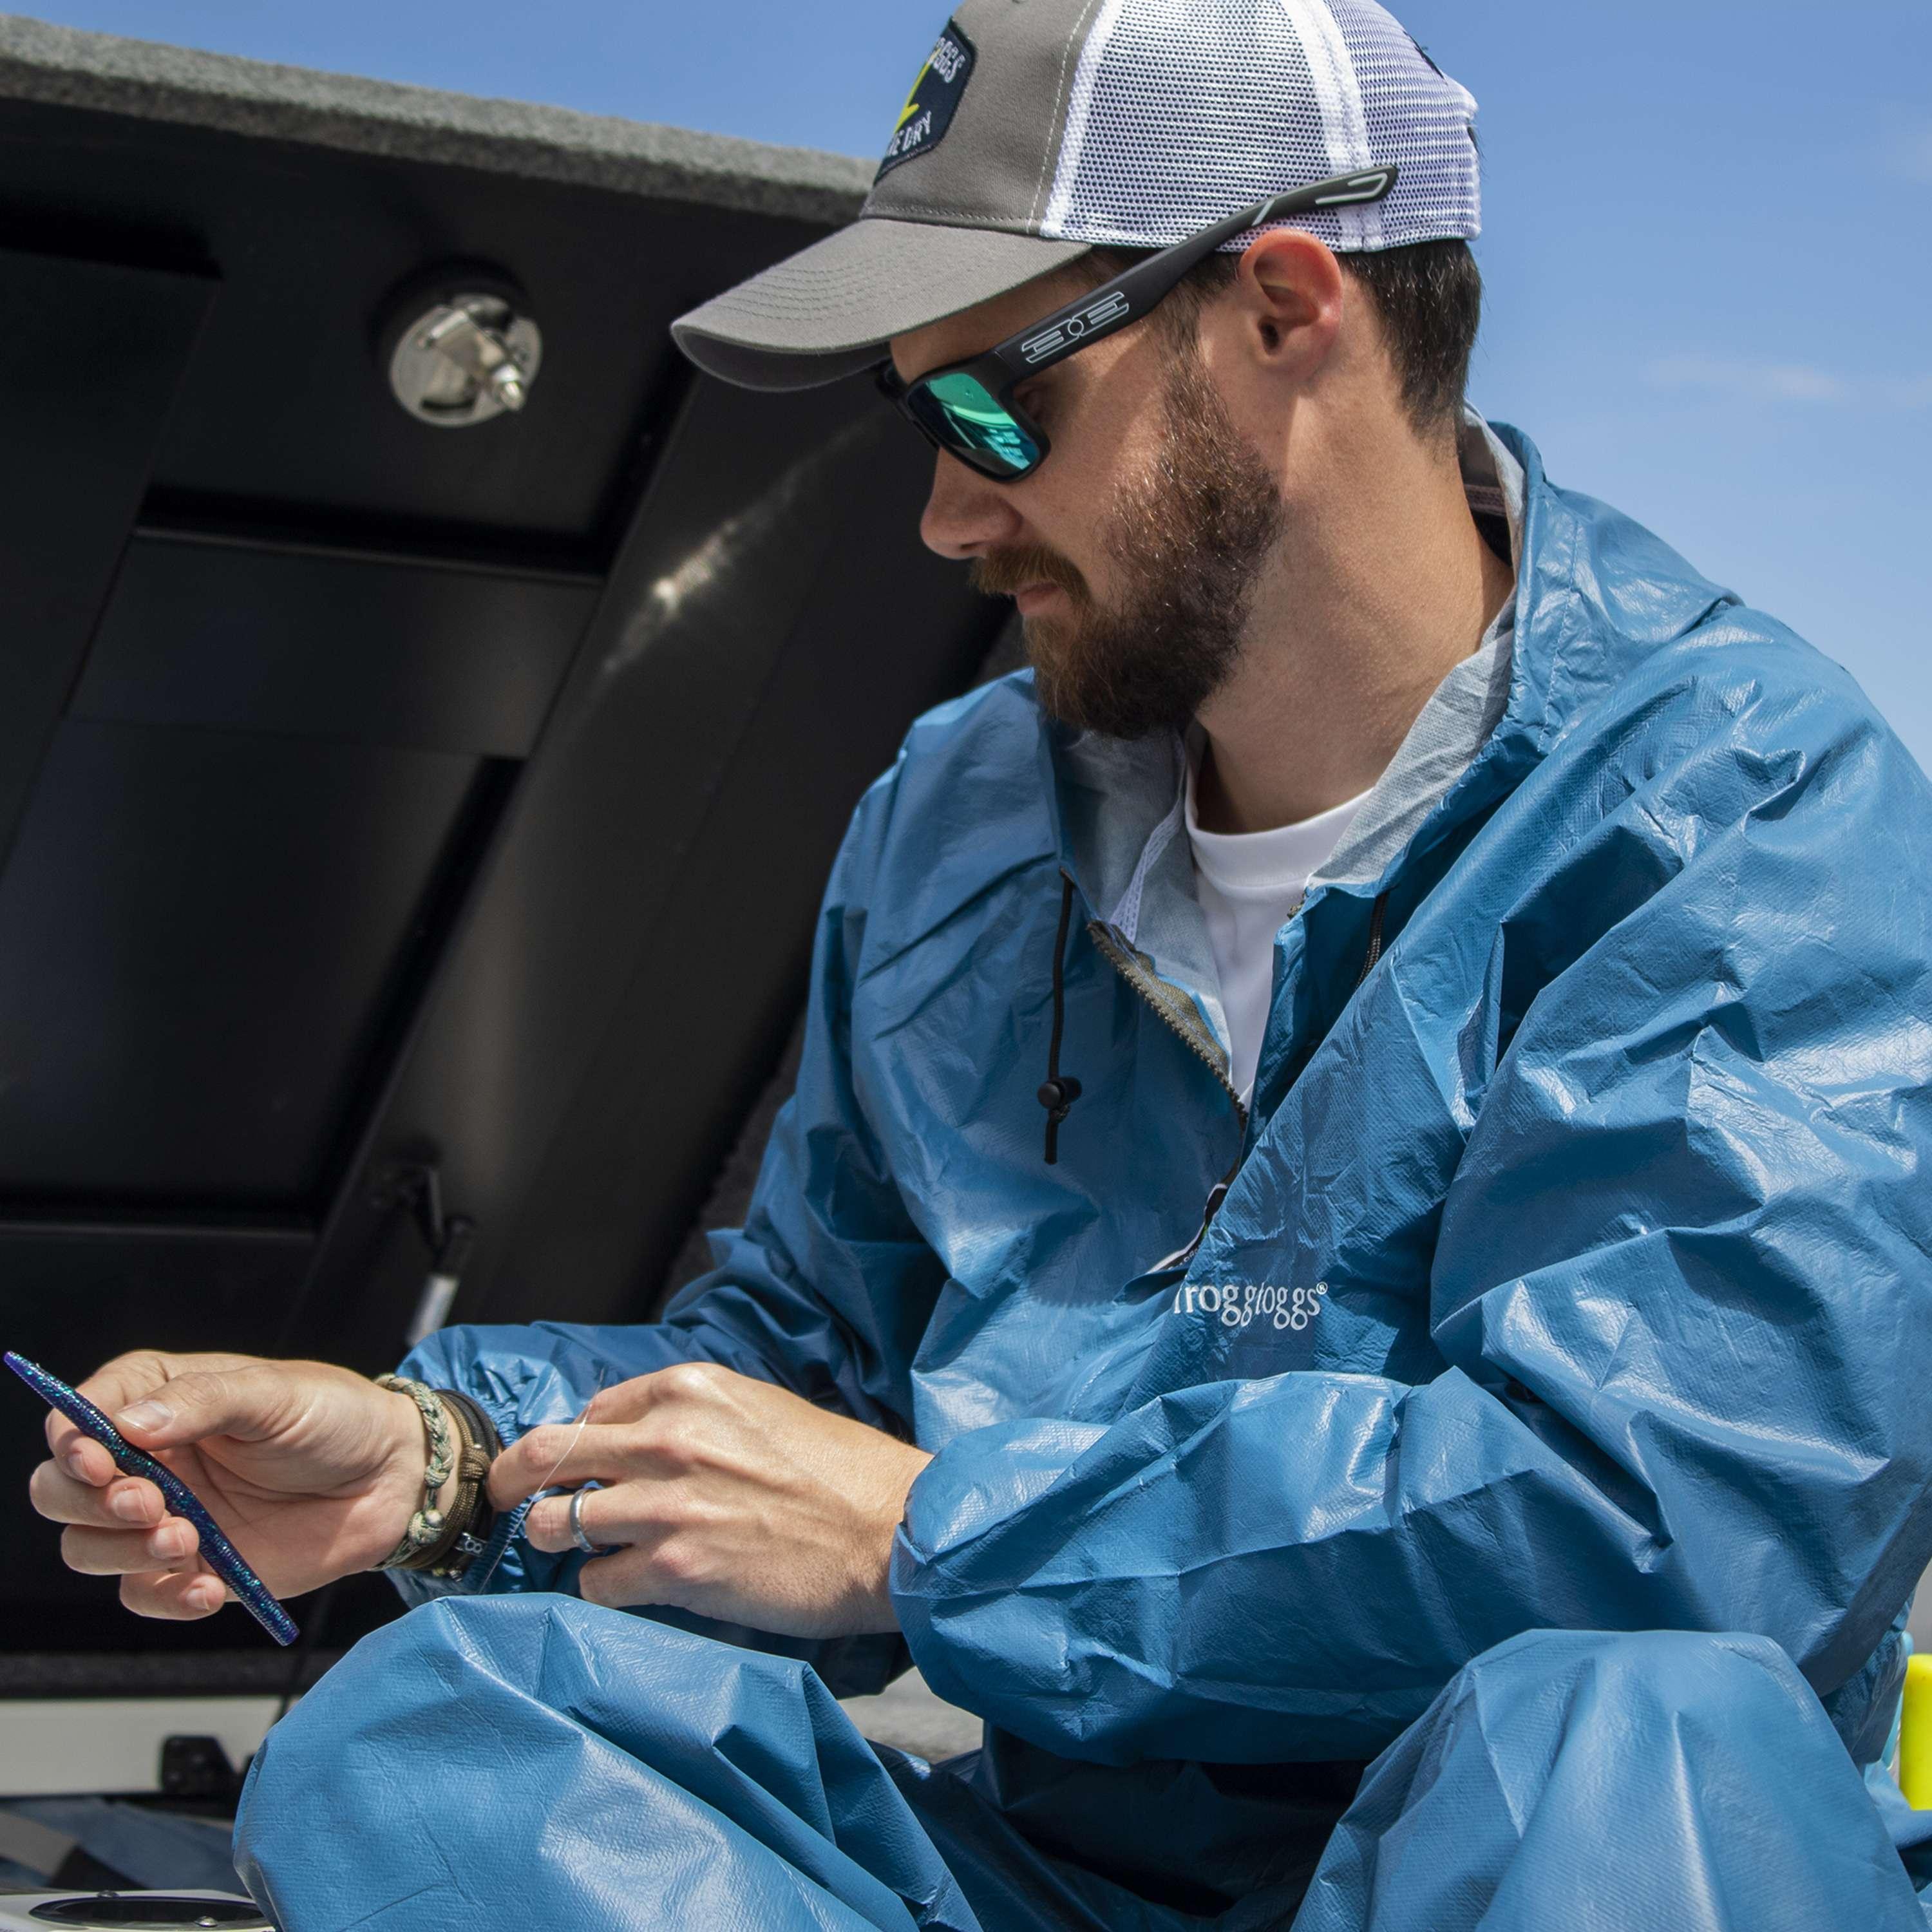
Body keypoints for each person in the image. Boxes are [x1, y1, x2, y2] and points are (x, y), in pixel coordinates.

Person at [28, 1, 1932, 1926]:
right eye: (912, 421)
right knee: (424, 1734)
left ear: (1286, 310)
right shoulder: (961, 817)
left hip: (1551, 1873)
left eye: (992, 412)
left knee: (1630, 1742)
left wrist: (944, 1536)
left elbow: (1674, 1534)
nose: (944, 511)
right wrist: (438, 1463)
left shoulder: (1746, 812)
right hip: (1064, 1882)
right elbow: (805, 1371)